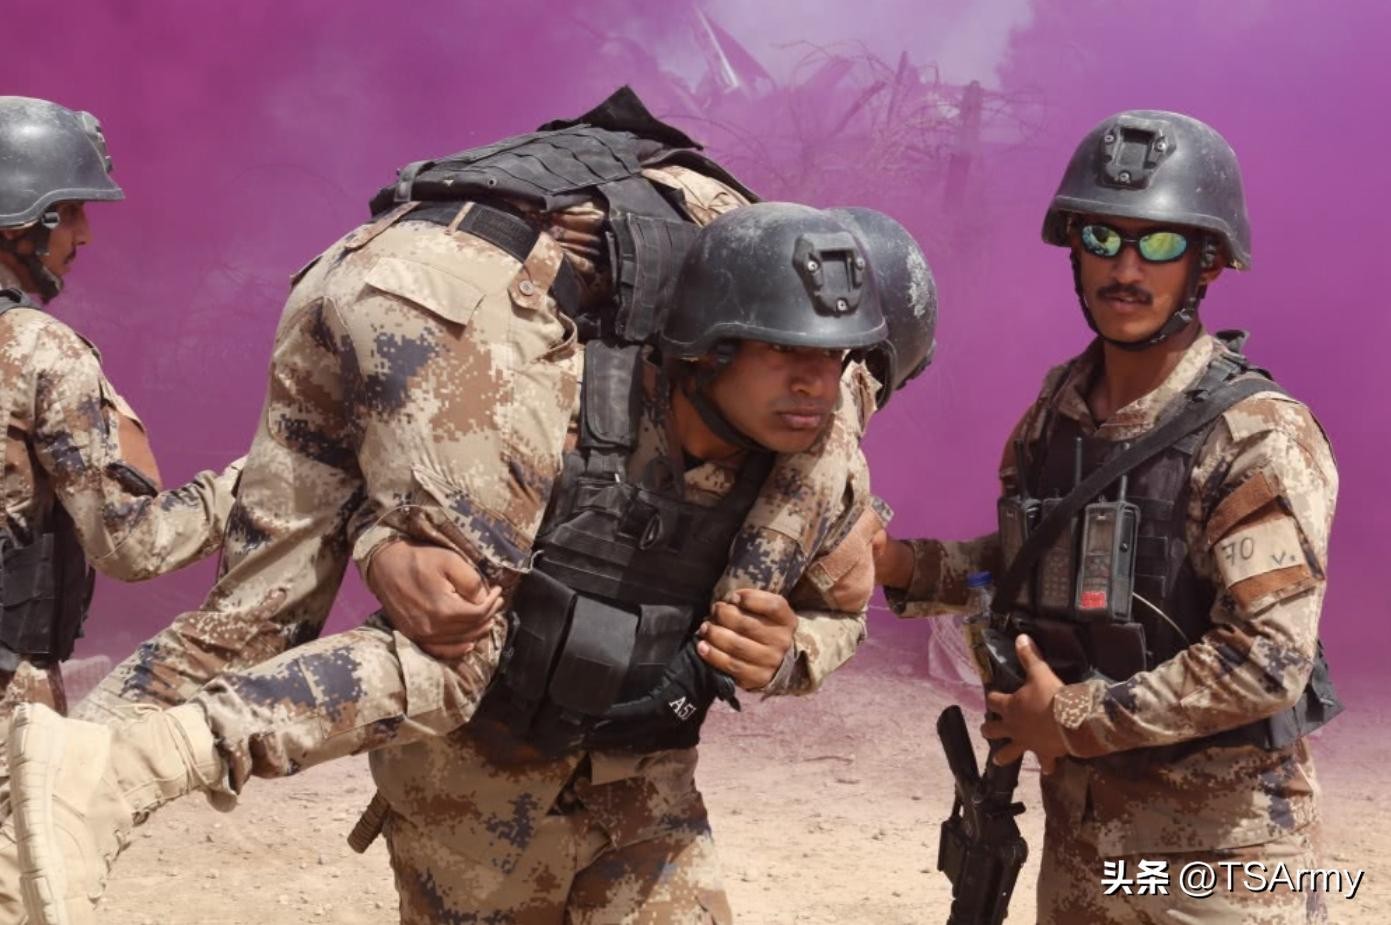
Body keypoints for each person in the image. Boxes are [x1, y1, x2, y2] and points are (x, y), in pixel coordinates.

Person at [11, 202, 888, 923]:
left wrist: (791, 651)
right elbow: (386, 471)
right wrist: (380, 545)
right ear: (708, 345)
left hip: (642, 795)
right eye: (784, 350)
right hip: (473, 794)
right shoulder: (547, 391)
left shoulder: (817, 471)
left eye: (835, 359)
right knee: (444, 638)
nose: (816, 384)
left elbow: (839, 607)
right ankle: (105, 772)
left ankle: (94, 771)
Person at [874, 110, 1340, 924]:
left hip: (1221, 863)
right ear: (1073, 248)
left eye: (1157, 243)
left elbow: (1266, 658)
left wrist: (1069, 717)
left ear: (1207, 262)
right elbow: (1034, 559)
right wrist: (903, 566)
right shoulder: (1057, 411)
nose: (1125, 269)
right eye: (1101, 239)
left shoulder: (1255, 434)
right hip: (1083, 848)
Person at [0, 96, 242, 738]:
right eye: (72, 211)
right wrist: (260, 481)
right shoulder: (39, 349)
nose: (83, 235)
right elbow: (132, 543)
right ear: (21, 219)